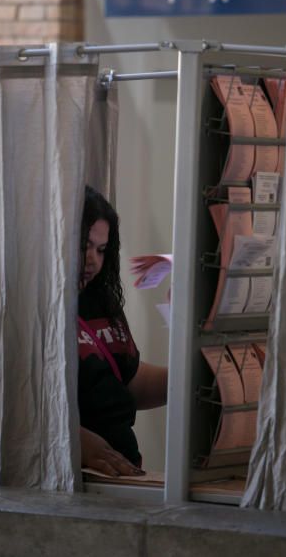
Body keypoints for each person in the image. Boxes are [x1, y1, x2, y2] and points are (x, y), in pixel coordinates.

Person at [78, 185, 167, 477]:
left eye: (101, 250)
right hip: (80, 475)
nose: (93, 260)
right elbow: (19, 403)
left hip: (121, 468)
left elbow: (127, 380)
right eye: (83, 246)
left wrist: (195, 377)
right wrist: (74, 440)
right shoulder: (26, 308)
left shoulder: (100, 299)